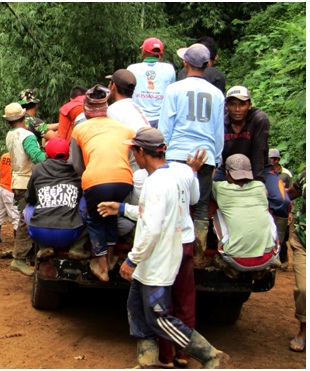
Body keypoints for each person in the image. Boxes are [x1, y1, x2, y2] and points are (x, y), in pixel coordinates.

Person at [100, 127, 228, 369]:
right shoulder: (168, 177)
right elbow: (151, 215)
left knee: (158, 317)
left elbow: (152, 229)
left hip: (157, 261)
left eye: (133, 149)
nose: (132, 154)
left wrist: (132, 259)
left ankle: (209, 355)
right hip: (152, 261)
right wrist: (121, 208)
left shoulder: (157, 183)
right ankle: (147, 363)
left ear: (140, 151)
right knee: (137, 312)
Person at [158, 42, 225, 268]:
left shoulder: (174, 89)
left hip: (177, 152)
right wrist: (216, 157)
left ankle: (170, 251)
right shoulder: (216, 94)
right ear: (207, 64)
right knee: (202, 205)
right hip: (205, 154)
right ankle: (196, 254)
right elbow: (218, 130)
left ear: (185, 63)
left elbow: (166, 125)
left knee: (173, 201)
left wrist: (162, 151)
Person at [212, 86, 291, 249]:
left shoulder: (259, 120)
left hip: (260, 167)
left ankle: (277, 244)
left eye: (242, 104)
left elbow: (259, 151)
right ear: (226, 106)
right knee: (203, 195)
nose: (237, 109)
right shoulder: (221, 122)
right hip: (228, 169)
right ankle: (211, 243)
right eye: (233, 104)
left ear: (250, 105)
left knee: (281, 201)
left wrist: (258, 184)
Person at [70, 85, 135, 281]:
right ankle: (112, 257)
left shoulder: (80, 128)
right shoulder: (125, 129)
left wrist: (90, 176)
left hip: (96, 180)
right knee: (111, 215)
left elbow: (76, 165)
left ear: (86, 110)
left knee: (96, 219)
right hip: (124, 180)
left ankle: (102, 268)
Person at [211, 154, 279, 276]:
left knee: (218, 212)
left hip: (235, 259)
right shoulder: (260, 187)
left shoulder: (220, 189)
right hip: (267, 257)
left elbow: (208, 182)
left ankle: (227, 259)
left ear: (227, 173)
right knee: (266, 212)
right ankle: (266, 262)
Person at [25, 137, 86, 259]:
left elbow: (29, 198)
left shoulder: (37, 169)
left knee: (28, 209)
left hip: (39, 232)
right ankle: (77, 248)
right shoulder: (77, 170)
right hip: (69, 233)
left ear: (46, 154)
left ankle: (44, 247)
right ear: (68, 154)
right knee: (87, 204)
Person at [4, 102, 46, 276]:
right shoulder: (27, 135)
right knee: (28, 219)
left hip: (17, 181)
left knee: (27, 217)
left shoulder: (10, 135)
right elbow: (38, 157)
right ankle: (20, 257)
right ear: (24, 117)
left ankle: (29, 256)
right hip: (28, 182)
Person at [106, 68, 150, 172]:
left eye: (109, 83)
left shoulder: (113, 110)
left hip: (133, 167)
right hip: (146, 161)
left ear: (113, 87)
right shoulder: (136, 107)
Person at [127, 37, 176, 128]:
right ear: (160, 54)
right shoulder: (169, 69)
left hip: (138, 118)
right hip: (161, 120)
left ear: (144, 52)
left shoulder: (132, 69)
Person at [286, 170, 306, 352]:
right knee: (304, 289)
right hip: (304, 241)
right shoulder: (306, 175)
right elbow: (290, 193)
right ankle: (304, 329)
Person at [0, 152, 19, 244]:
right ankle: (18, 240)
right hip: (11, 189)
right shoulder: (19, 156)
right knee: (16, 215)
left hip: (1, 187)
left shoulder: (4, 156)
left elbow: (0, 172)